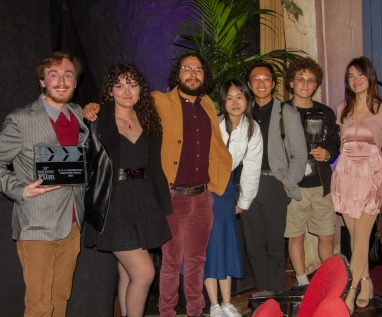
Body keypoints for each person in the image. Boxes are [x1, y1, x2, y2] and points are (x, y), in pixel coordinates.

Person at [83, 53, 232, 317]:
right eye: (187, 68)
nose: (192, 73)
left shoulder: (203, 105)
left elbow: (217, 146)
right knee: (149, 270)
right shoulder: (157, 103)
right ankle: (166, 313)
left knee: (137, 271)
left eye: (198, 69)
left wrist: (218, 185)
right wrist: (92, 107)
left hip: (159, 198)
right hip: (126, 201)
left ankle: (195, 311)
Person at [0, 51, 89, 317]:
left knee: (61, 297)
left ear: (75, 81)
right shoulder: (21, 120)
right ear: (42, 81)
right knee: (39, 305)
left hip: (72, 224)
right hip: (37, 225)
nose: (61, 81)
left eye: (68, 74)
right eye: (54, 75)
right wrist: (19, 190)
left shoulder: (77, 115)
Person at [83, 64, 172, 317]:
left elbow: (153, 164)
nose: (126, 91)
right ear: (110, 91)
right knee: (144, 273)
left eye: (132, 84)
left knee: (127, 273)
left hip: (142, 198)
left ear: (140, 89)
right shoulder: (97, 118)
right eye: (119, 85)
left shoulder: (147, 117)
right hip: (113, 203)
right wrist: (87, 110)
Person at [331, 56, 382, 314]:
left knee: (362, 237)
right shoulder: (341, 109)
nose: (355, 81)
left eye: (360, 75)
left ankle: (351, 289)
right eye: (350, 77)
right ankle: (366, 282)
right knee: (355, 236)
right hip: (346, 177)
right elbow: (341, 147)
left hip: (371, 177)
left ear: (370, 77)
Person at [242, 60, 307, 294]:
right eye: (256, 79)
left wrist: (288, 184)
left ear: (273, 83)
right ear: (249, 85)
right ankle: (262, 297)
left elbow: (300, 154)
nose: (261, 83)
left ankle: (278, 296)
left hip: (275, 184)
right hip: (248, 185)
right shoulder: (242, 111)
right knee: (254, 247)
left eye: (266, 79)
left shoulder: (286, 112)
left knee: (275, 247)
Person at [204, 79, 263, 317]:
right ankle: (214, 305)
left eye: (240, 96)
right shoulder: (214, 124)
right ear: (223, 101)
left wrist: (244, 201)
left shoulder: (252, 127)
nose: (235, 102)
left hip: (227, 188)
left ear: (247, 99)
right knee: (210, 246)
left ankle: (227, 303)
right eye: (229, 97)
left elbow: (252, 167)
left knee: (226, 244)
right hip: (206, 187)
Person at [283, 57, 339, 288]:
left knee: (326, 235)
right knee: (295, 235)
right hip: (294, 187)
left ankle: (328, 280)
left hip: (321, 184)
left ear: (316, 85)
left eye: (310, 81)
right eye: (300, 80)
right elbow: (273, 151)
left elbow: (336, 143)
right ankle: (302, 281)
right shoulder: (281, 113)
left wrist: (327, 154)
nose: (305, 85)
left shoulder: (325, 112)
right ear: (291, 83)